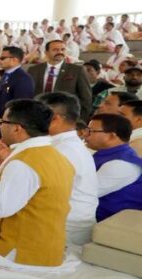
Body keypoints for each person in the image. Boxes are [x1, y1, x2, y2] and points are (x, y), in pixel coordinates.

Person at [0, 99, 74, 268]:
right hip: (47, 248)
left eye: (2, 122)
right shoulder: (56, 156)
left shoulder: (24, 162)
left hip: (20, 253)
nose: (0, 127)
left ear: (16, 128)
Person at [37, 92, 99, 248]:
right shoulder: (67, 145)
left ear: (55, 118)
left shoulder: (63, 150)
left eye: (37, 115)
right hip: (67, 221)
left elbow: (36, 190)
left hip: (67, 227)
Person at [84, 114, 142, 221]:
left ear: (111, 136)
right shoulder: (109, 153)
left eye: (91, 131)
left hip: (107, 225)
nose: (85, 134)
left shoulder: (122, 165)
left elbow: (84, 193)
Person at [28, 39, 92, 111]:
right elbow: (27, 94)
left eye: (63, 49)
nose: (60, 52)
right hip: (38, 113)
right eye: (55, 50)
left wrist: (81, 119)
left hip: (65, 115)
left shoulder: (76, 70)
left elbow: (86, 97)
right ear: (46, 52)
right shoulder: (34, 70)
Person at [0, 46, 35, 134]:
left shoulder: (22, 78)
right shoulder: (6, 75)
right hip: (0, 123)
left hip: (10, 127)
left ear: (14, 59)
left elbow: (20, 106)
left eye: (2, 58)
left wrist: (12, 128)